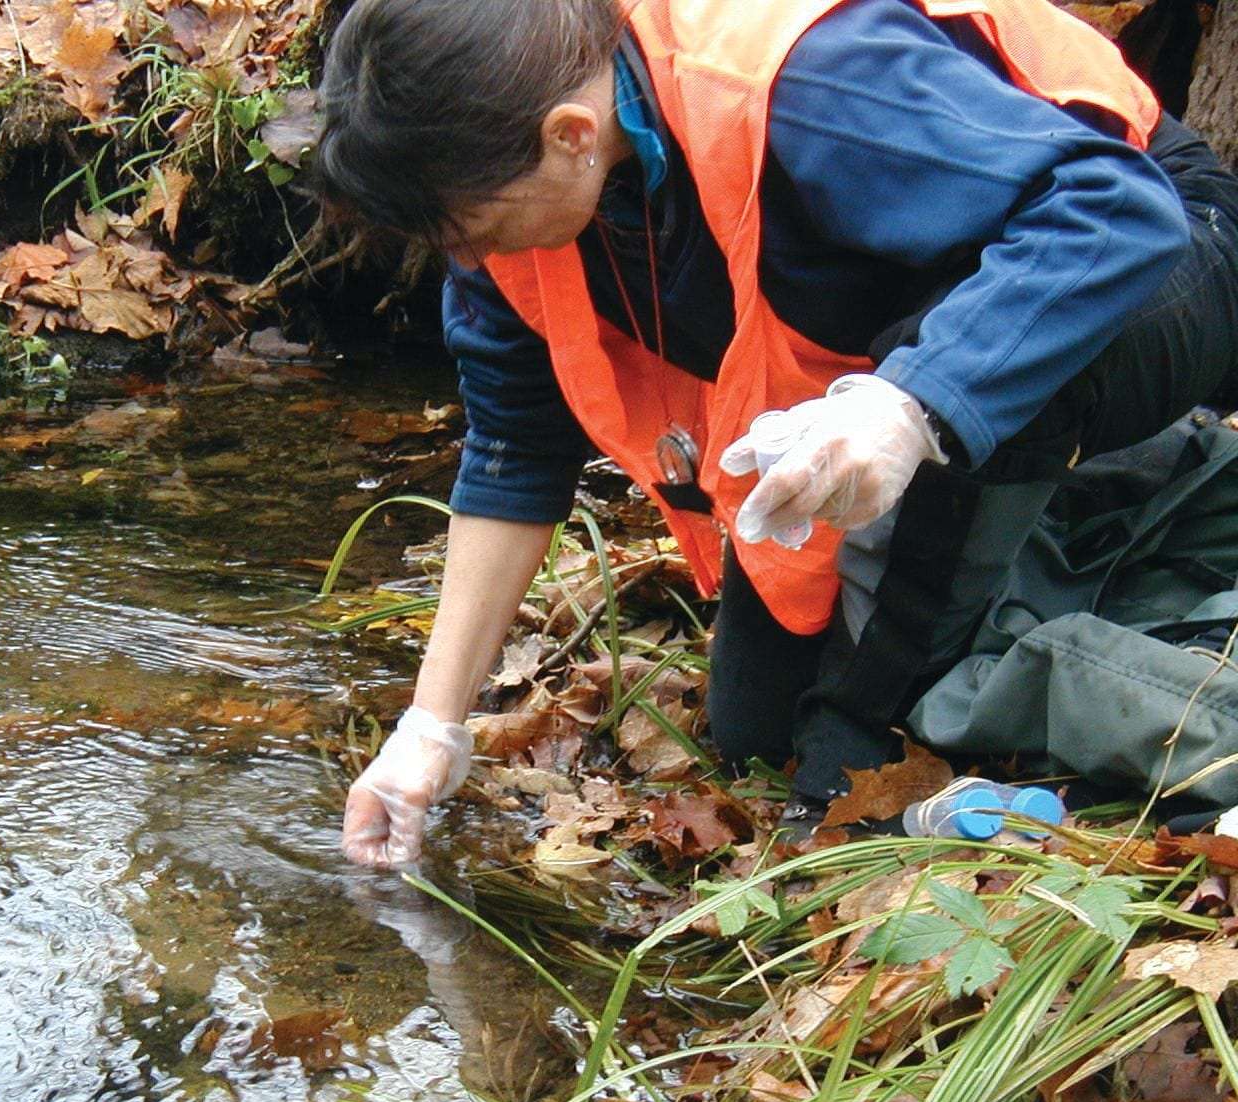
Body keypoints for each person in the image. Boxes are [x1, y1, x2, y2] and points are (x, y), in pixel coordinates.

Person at [315, 0, 1238, 868]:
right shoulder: (502, 182)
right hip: (940, 322)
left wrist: (906, 405)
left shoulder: (808, 82)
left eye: (472, 228)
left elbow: (1110, 210)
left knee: (847, 756)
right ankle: (1107, 514)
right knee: (759, 724)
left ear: (571, 136)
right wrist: (430, 728)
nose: (468, 260)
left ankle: (1202, 702)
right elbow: (515, 452)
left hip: (1153, 250)